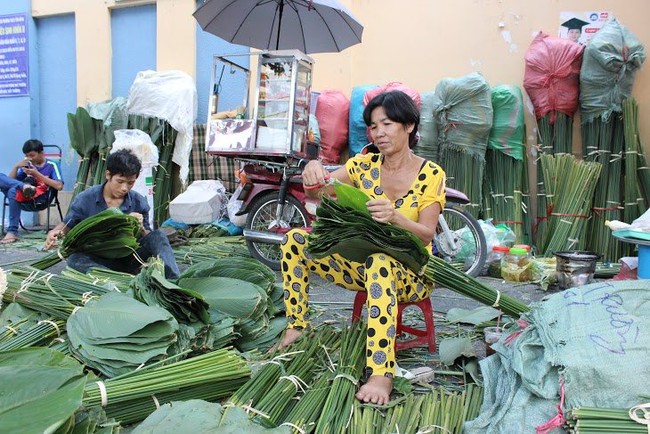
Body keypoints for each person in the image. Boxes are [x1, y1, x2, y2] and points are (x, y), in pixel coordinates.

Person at [275, 91, 446, 405]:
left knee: (381, 261)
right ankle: (297, 326)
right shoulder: (362, 165)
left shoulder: (430, 174)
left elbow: (426, 235)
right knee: (295, 241)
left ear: (409, 126)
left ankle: (381, 372)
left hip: (412, 273)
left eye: (387, 124)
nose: (378, 132)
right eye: (373, 126)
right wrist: (313, 175)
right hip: (362, 268)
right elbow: (324, 190)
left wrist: (395, 217)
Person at [44, 149, 180, 279]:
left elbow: (148, 237)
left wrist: (140, 227)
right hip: (98, 258)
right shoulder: (86, 198)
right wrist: (55, 232)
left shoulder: (139, 202)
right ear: (108, 175)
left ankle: (172, 280)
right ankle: (116, 279)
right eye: (120, 182)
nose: (124, 188)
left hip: (129, 257)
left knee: (159, 236)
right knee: (75, 259)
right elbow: (68, 224)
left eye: (130, 183)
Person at [1, 139, 63, 244]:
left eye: (32, 155)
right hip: (22, 197)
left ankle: (12, 231)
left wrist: (36, 174)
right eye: (27, 156)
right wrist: (16, 167)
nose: (29, 158)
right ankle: (23, 185)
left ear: (41, 153)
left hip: (40, 199)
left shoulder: (52, 165)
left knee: (12, 191)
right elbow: (9, 181)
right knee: (4, 180)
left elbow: (59, 186)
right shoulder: (27, 166)